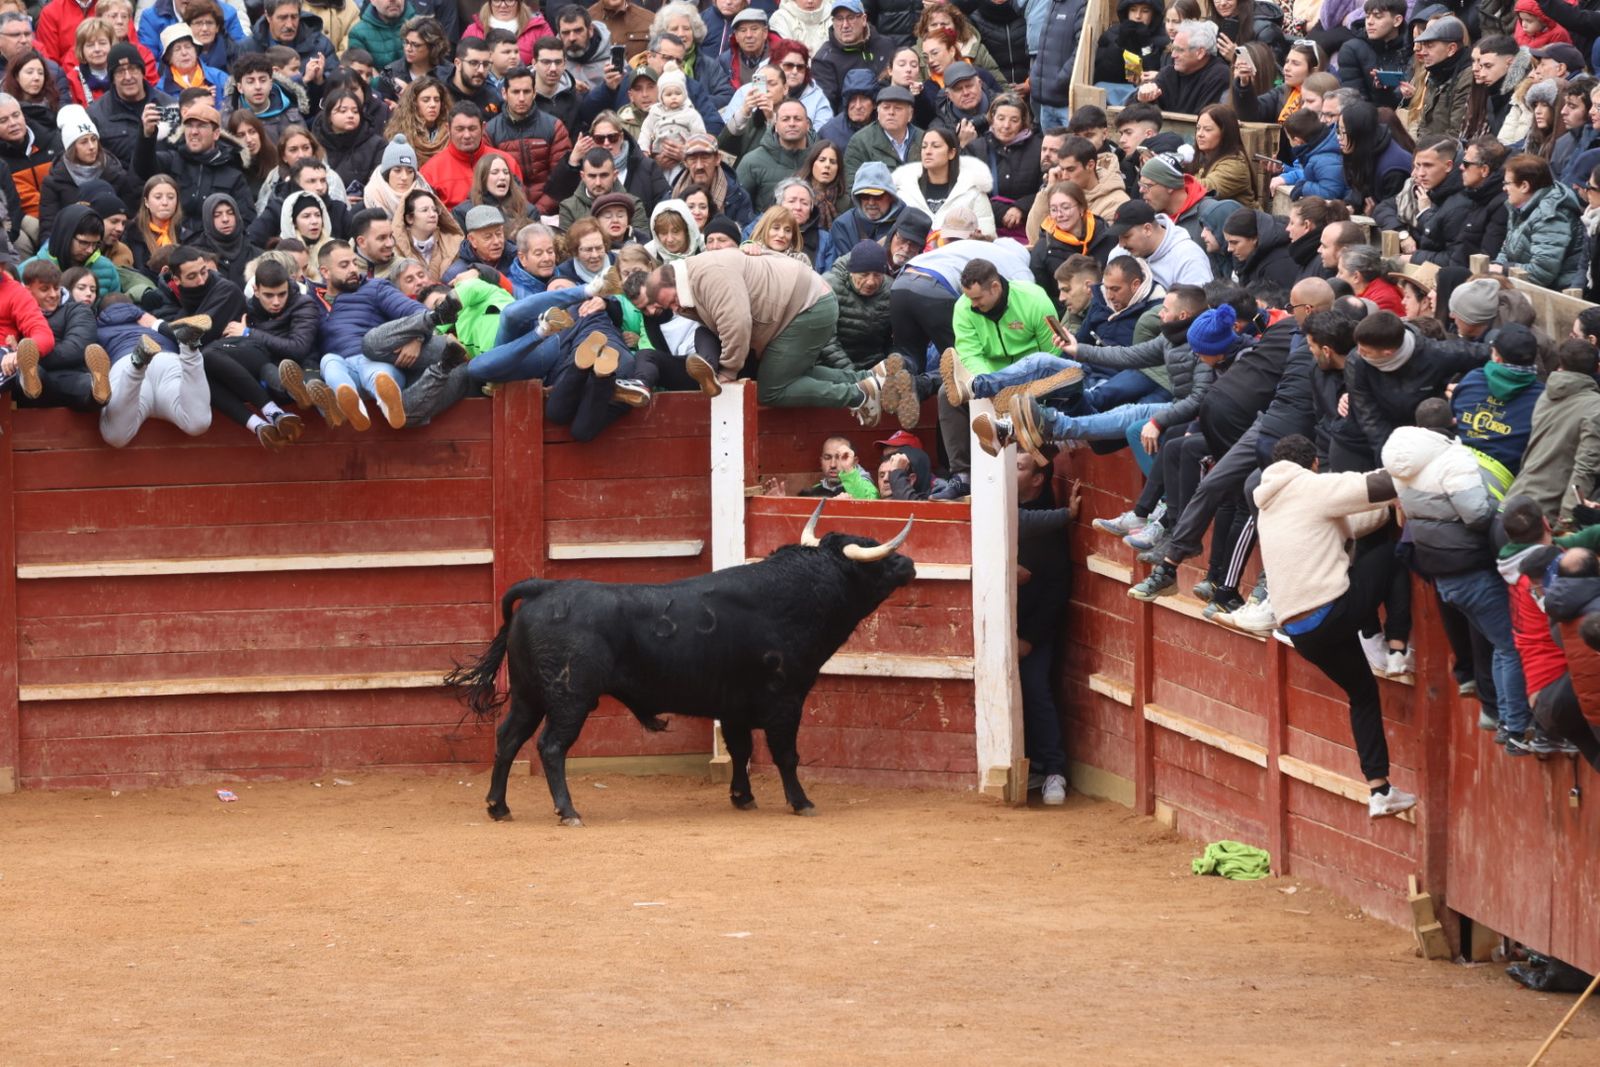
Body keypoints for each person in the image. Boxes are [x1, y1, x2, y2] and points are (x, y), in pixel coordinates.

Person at [1253, 434, 1417, 816]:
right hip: (1333, 610)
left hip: (1300, 632)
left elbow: (1348, 522)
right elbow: (1380, 484)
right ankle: (1396, 647)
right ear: (1313, 463)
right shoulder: (1311, 486)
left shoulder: (1268, 503)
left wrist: (1382, 508)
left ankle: (1380, 790)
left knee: (1362, 693)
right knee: (1392, 553)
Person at [635, 247, 914, 426]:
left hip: (806, 307)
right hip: (803, 305)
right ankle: (869, 379)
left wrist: (728, 371)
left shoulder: (707, 276)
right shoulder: (695, 277)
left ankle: (857, 395)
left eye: (670, 301)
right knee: (796, 375)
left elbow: (737, 323)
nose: (673, 309)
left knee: (772, 389)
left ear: (674, 282)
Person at [1495, 152, 1584, 290]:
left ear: (1524, 186)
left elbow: (1541, 273)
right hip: (1522, 286)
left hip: (1554, 295)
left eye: (1507, 183)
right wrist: (1496, 266)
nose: (1504, 188)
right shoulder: (1520, 207)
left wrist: (1502, 269)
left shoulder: (1551, 216)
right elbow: (1506, 251)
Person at [1136, 20, 1229, 112]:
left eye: (1179, 50)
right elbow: (1130, 111)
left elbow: (1203, 120)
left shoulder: (1219, 75)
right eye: (1173, 49)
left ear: (1200, 52)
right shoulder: (1169, 73)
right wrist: (1141, 98)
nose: (1173, 55)